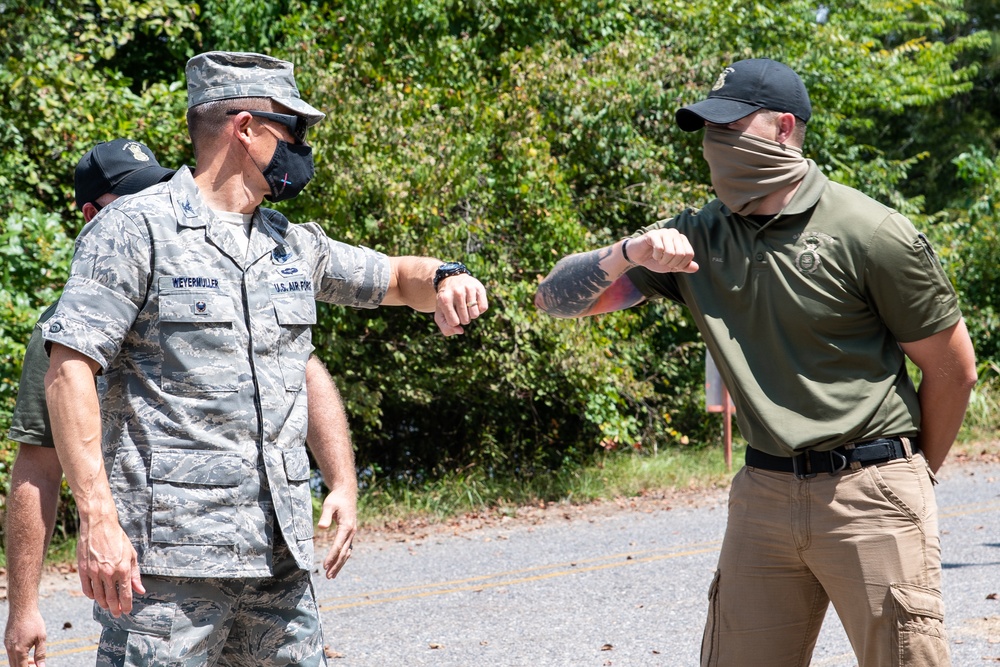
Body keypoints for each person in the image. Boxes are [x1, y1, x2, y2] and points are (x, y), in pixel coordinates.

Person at [43, 51, 487, 667]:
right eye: (291, 129)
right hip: (168, 567)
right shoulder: (134, 231)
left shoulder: (289, 242)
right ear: (245, 128)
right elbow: (68, 372)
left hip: (278, 557)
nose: (301, 145)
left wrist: (445, 277)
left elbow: (392, 278)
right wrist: (96, 519)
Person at [535, 58, 977, 667]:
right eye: (710, 132)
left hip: (870, 489)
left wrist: (913, 475)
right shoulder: (696, 237)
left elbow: (954, 369)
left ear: (784, 129)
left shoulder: (870, 232)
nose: (717, 145)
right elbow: (555, 299)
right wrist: (627, 251)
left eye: (732, 127)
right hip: (762, 495)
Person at [4, 140, 359, 667]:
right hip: (155, 572)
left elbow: (303, 370)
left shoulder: (222, 276)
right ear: (92, 215)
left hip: (262, 563)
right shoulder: (68, 330)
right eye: (132, 198)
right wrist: (25, 607)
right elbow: (37, 467)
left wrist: (342, 479)